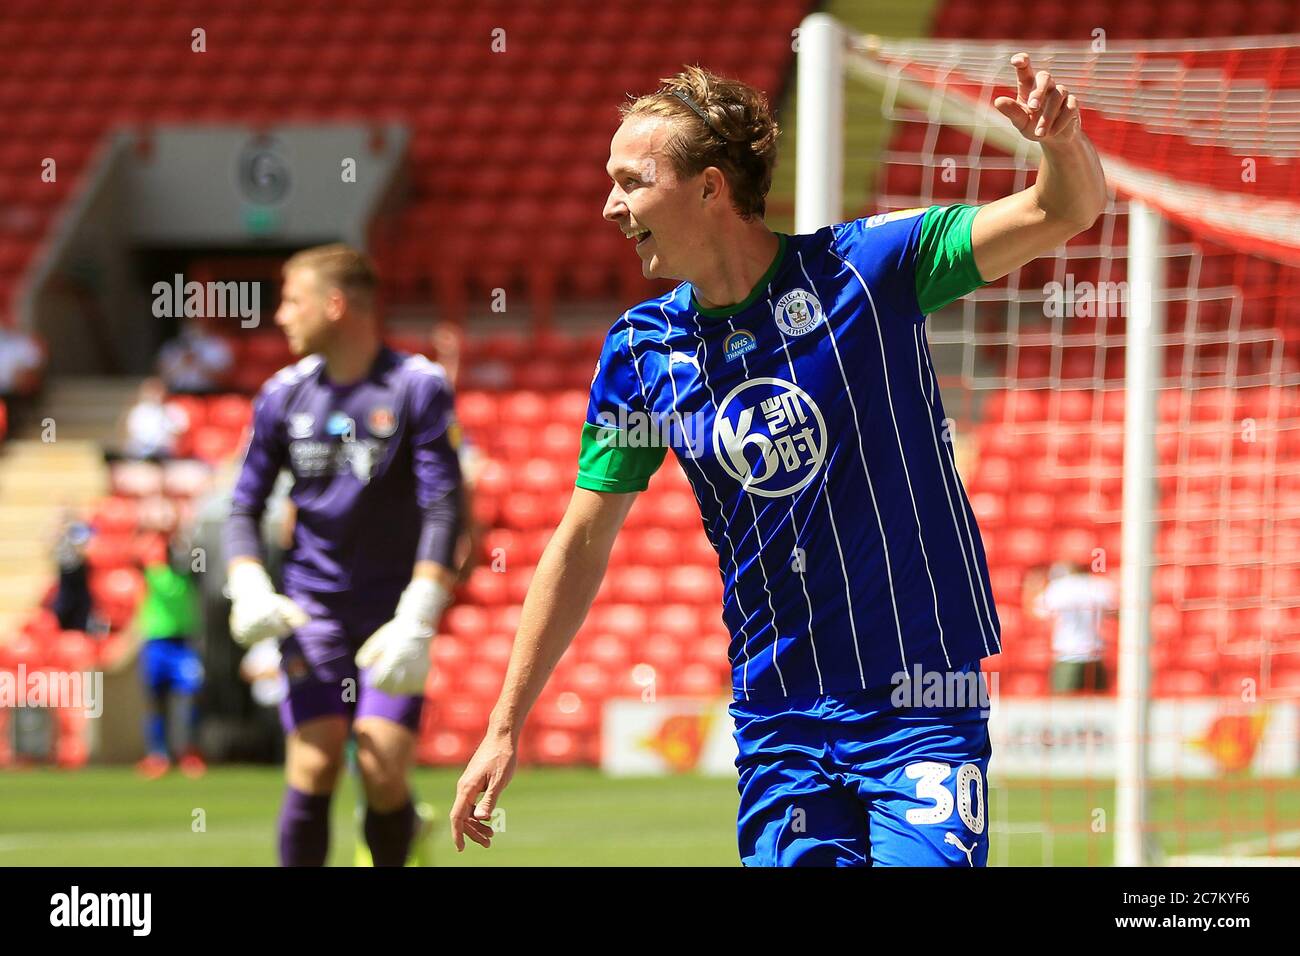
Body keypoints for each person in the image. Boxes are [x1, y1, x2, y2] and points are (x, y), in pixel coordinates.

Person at [450, 56, 1106, 866]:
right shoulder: (640, 350)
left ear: (709, 187)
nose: (611, 205)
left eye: (631, 180)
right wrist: (504, 725)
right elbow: (583, 538)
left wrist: (1062, 144)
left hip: (920, 699)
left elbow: (1064, 208)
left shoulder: (870, 269)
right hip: (779, 717)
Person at [224, 244, 463, 867]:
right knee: (317, 756)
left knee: (382, 761)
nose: (279, 315)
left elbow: (444, 506)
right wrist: (248, 585)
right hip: (312, 608)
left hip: (393, 610)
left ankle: (400, 831)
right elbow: (243, 506)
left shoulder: (417, 387)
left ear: (335, 305)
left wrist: (420, 612)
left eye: (291, 299)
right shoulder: (281, 396)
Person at [134, 534, 206, 779]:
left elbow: (201, 562)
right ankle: (157, 754)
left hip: (183, 643)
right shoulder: (154, 574)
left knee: (191, 698)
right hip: (157, 643)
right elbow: (136, 556)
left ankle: (189, 752)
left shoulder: (191, 578)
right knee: (156, 701)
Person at [1028, 561, 1116, 693]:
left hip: (1068, 656)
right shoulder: (1099, 586)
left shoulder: (1058, 588)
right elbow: (1116, 609)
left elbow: (1037, 611)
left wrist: (1032, 588)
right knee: (1100, 707)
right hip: (1095, 656)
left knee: (1064, 709)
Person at [157, 317, 234, 395]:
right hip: (178, 394)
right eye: (189, 325)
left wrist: (199, 362)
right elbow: (161, 377)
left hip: (209, 395)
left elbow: (225, 379)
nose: (192, 329)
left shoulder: (217, 346)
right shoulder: (171, 347)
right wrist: (182, 363)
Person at [118, 377, 188, 461]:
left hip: (164, 453)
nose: (155, 395)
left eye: (157, 391)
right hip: (142, 453)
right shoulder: (138, 411)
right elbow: (134, 434)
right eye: (151, 391)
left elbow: (179, 431)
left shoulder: (172, 410)